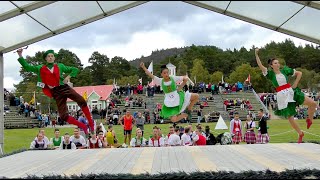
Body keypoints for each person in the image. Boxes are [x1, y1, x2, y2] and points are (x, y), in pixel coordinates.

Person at [16, 48, 94, 134]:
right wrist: (20, 55)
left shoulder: (60, 66)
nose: (50, 58)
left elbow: (75, 69)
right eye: (48, 56)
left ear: (54, 58)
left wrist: (68, 77)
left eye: (52, 56)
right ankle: (83, 126)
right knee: (63, 116)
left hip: (64, 87)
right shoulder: (40, 68)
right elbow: (28, 67)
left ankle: (91, 124)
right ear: (46, 58)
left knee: (81, 100)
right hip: (56, 92)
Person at [255, 48, 317, 143]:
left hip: (292, 91)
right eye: (275, 63)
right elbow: (260, 65)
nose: (278, 64)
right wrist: (256, 54)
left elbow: (299, 73)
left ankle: (310, 119)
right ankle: (300, 134)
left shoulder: (285, 70)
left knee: (313, 103)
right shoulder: (270, 74)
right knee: (290, 117)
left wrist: (295, 83)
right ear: (271, 66)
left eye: (278, 62)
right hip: (282, 96)